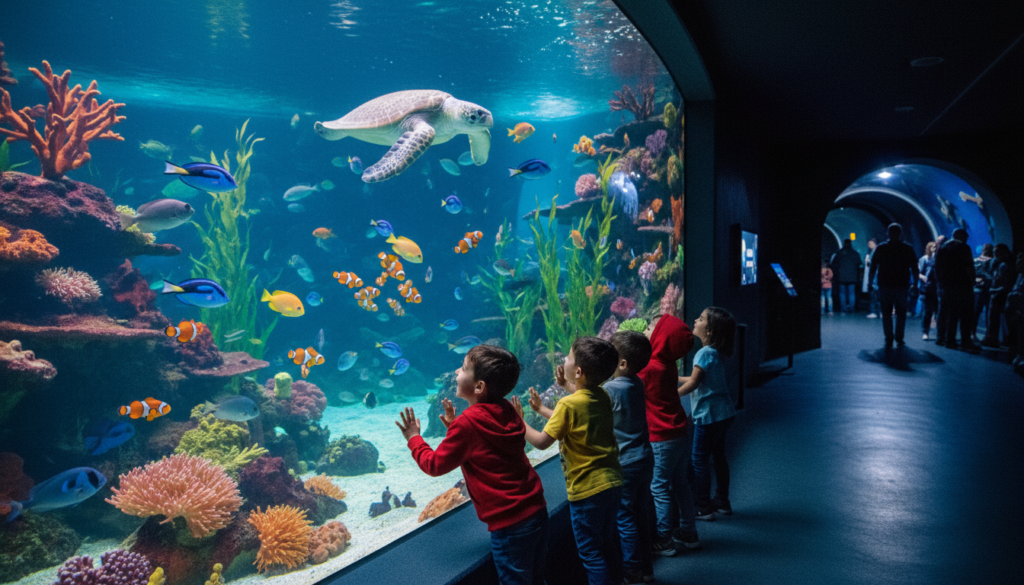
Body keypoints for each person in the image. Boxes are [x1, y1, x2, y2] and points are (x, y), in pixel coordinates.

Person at [396, 345, 549, 585]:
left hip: (509, 525)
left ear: (479, 387)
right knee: (538, 578)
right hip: (536, 509)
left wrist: (414, 438)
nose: (457, 371)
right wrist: (456, 428)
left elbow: (434, 465)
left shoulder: (467, 425)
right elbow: (490, 448)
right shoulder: (507, 408)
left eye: (464, 368)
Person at [517, 337, 623, 585]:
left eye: (568, 357)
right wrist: (546, 405)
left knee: (591, 552)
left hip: (587, 490)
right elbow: (575, 417)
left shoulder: (568, 404)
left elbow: (542, 442)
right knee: (608, 542)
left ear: (578, 371)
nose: (563, 359)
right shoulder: (602, 396)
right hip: (613, 481)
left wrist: (519, 422)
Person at [638, 314, 700, 556]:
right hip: (679, 432)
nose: (647, 329)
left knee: (659, 488)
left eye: (652, 327)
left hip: (661, 439)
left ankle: (664, 539)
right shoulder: (668, 363)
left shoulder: (649, 368)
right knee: (681, 483)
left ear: (661, 338)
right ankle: (688, 530)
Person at [676, 307, 737, 522]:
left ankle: (703, 507)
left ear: (710, 331)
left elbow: (694, 382)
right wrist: (675, 376)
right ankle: (722, 502)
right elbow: (697, 378)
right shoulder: (714, 353)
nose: (695, 319)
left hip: (708, 416)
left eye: (700, 318)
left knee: (699, 460)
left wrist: (671, 396)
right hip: (725, 413)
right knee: (719, 457)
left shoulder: (703, 353)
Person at [607, 331, 656, 585]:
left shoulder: (610, 390)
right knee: (641, 513)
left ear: (622, 363)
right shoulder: (636, 382)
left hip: (625, 463)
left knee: (624, 518)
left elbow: (588, 401)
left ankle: (632, 571)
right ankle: (647, 568)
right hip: (645, 458)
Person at [868, 223, 919, 347]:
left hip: (885, 284)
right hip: (902, 284)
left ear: (888, 233)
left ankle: (889, 337)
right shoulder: (907, 248)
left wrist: (870, 283)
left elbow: (873, 267)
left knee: (886, 312)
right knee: (901, 312)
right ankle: (899, 336)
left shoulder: (881, 248)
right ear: (900, 233)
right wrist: (915, 284)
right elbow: (914, 267)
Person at [934, 229, 978, 350]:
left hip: (946, 286)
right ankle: (965, 341)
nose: (967, 238)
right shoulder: (964, 247)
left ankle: (946, 339)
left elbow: (937, 267)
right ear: (959, 236)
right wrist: (973, 280)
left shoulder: (942, 248)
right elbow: (969, 266)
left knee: (947, 313)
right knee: (965, 314)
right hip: (962, 285)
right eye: (965, 236)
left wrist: (940, 284)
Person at [980, 244, 1016, 348]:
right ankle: (994, 338)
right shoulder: (999, 263)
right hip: (996, 293)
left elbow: (1008, 283)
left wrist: (994, 289)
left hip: (1001, 294)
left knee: (1004, 319)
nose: (995, 255)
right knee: (993, 318)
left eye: (997, 253)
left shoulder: (1007, 265)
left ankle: (1005, 340)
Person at [830, 239, 861, 312]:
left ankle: (843, 309)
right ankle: (852, 308)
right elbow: (859, 264)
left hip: (841, 276)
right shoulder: (855, 253)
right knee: (852, 293)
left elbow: (834, 263)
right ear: (851, 244)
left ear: (844, 243)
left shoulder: (839, 253)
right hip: (852, 276)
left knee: (842, 293)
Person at [972, 243, 995, 343]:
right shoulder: (977, 260)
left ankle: (987, 335)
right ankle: (974, 333)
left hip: (986, 290)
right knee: (977, 313)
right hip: (981, 290)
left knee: (986, 314)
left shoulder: (993, 261)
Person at [919, 241, 939, 340]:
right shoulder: (924, 259)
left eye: (936, 247)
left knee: (938, 312)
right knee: (927, 312)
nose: (934, 248)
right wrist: (924, 278)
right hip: (927, 289)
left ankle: (939, 333)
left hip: (937, 289)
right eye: (933, 247)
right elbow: (918, 272)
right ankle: (925, 332)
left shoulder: (939, 259)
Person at [863, 238, 880, 318]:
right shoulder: (874, 252)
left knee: (874, 294)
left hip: (875, 276)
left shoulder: (874, 252)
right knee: (879, 295)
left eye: (870, 244)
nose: (869, 245)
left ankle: (874, 311)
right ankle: (880, 311)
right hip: (878, 276)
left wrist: (868, 262)